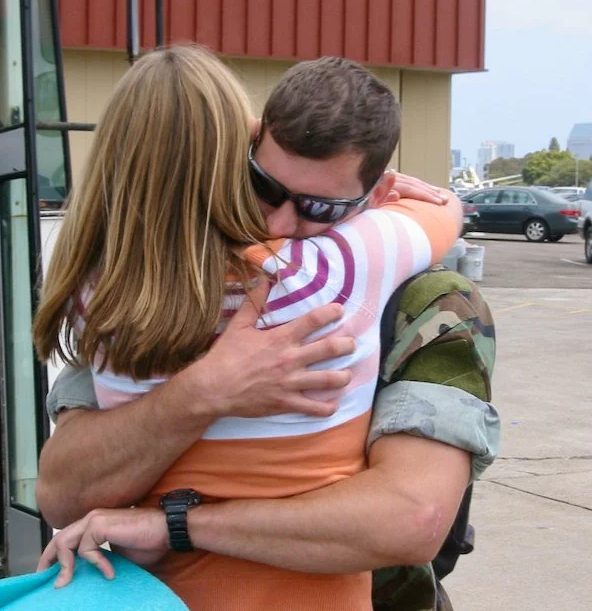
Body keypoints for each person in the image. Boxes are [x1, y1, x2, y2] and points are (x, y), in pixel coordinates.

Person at [36, 51, 497, 610]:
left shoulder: (434, 302)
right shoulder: (158, 292)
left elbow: (410, 518)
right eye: (262, 185)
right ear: (236, 158)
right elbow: (64, 493)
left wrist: (174, 525)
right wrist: (206, 389)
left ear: (375, 196)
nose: (278, 222)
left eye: (319, 207)